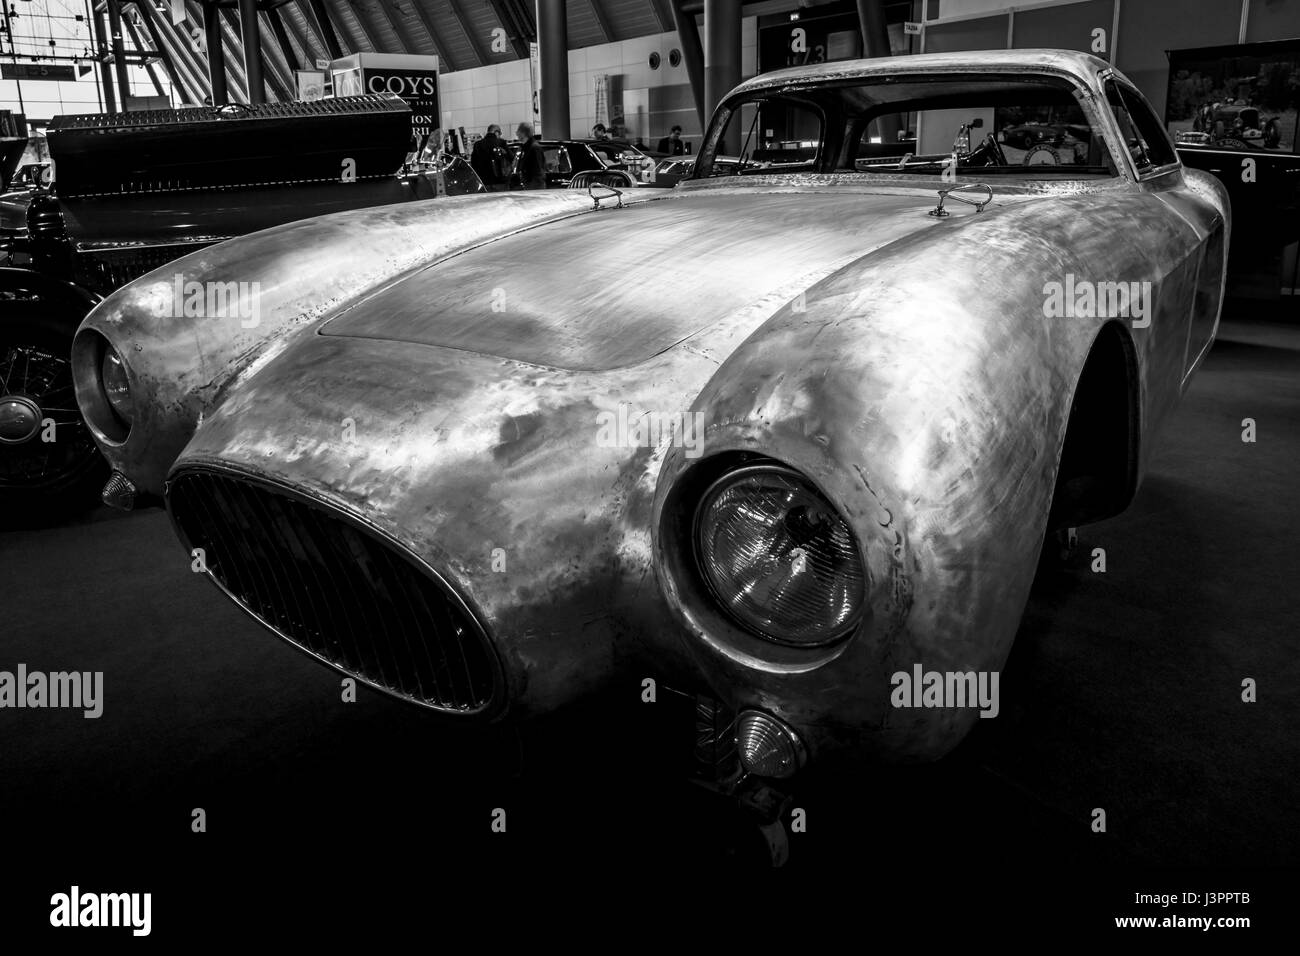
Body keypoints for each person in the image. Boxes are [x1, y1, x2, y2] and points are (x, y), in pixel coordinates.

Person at [471, 124, 512, 191]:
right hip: (500, 182)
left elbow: (473, 164)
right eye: (500, 133)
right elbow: (511, 158)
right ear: (496, 132)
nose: (500, 135)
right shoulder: (501, 143)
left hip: (484, 183)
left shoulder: (477, 145)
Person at [516, 123, 546, 189]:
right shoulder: (527, 147)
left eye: (518, 131)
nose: (516, 133)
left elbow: (538, 169)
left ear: (523, 133)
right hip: (530, 183)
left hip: (534, 185)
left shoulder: (534, 148)